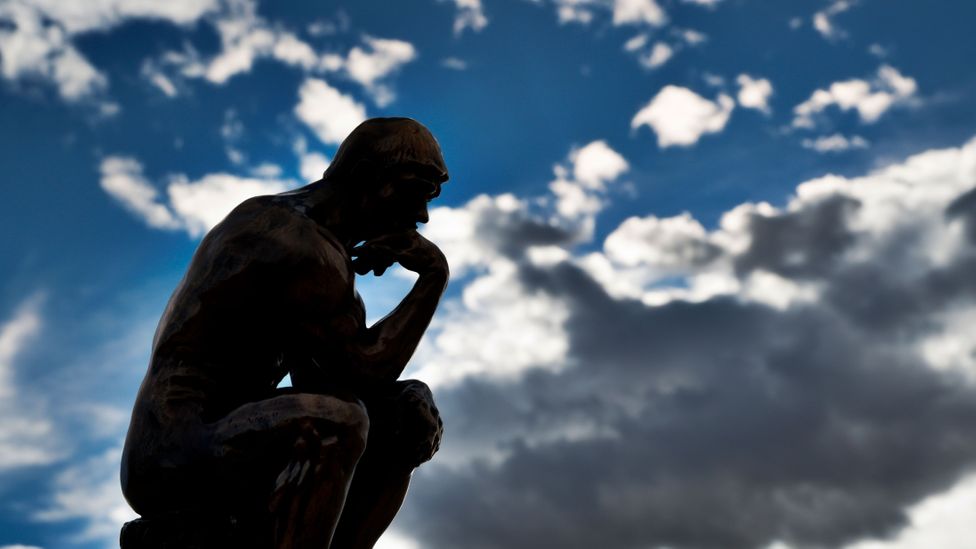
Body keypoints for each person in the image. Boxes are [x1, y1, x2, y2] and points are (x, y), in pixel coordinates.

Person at [121, 118, 448, 549]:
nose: (421, 217)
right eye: (415, 194)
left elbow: (331, 381)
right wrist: (432, 278)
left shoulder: (327, 261)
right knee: (336, 421)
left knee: (407, 413)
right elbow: (362, 377)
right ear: (368, 178)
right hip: (171, 452)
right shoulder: (292, 241)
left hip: (237, 431)